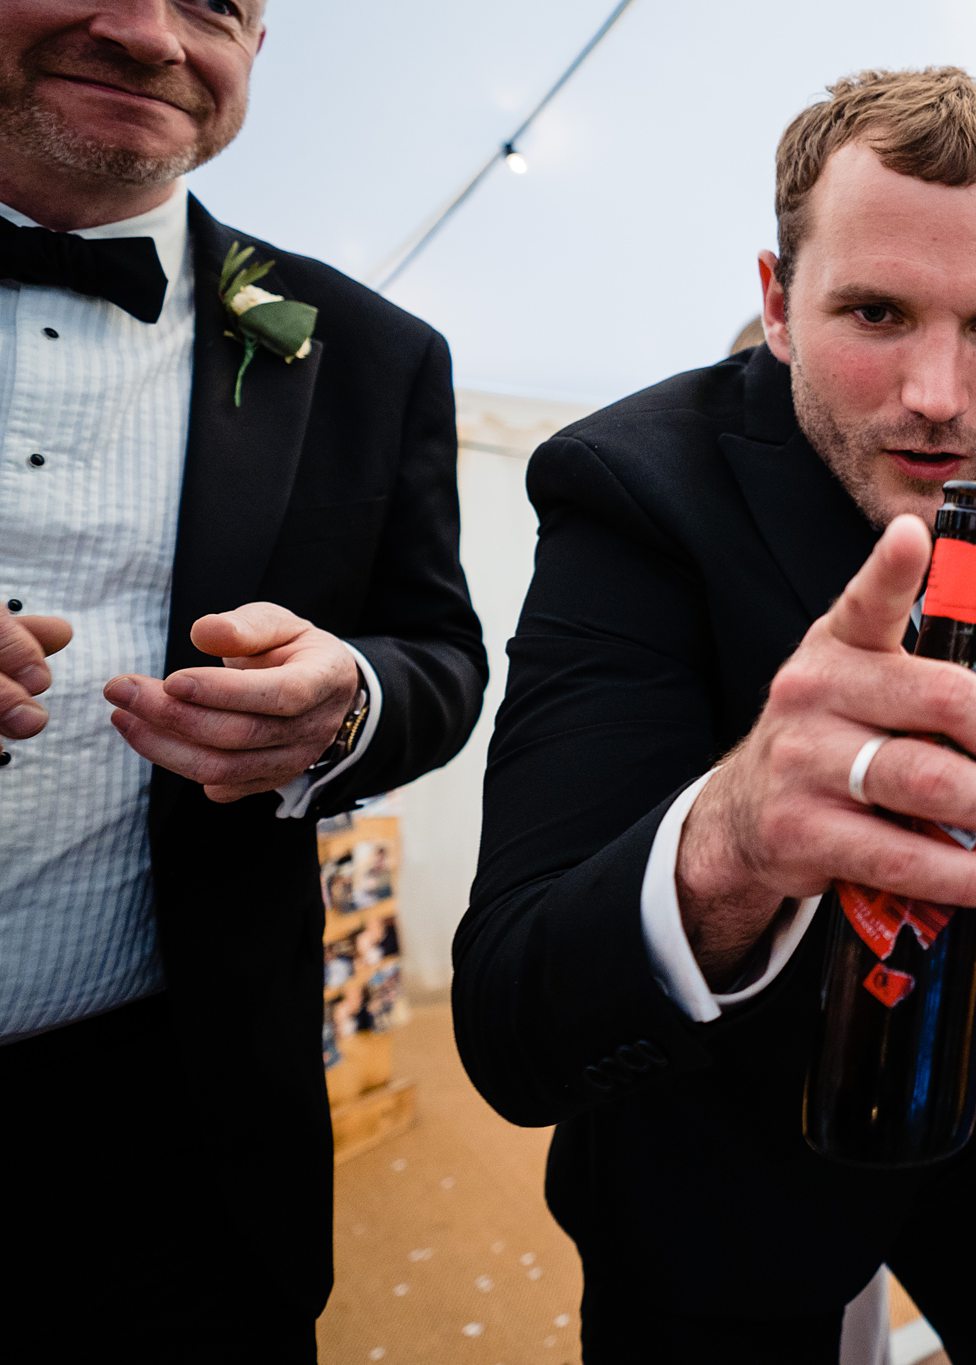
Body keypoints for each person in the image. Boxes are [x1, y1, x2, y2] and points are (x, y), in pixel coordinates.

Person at [458, 66, 976, 1362]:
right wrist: (732, 839)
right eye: (875, 310)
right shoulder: (632, 487)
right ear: (777, 303)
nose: (937, 393)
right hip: (722, 1171)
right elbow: (514, 1016)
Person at [0, 1, 486, 1358]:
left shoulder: (371, 352)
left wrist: (350, 700)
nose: (151, 32)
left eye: (215, 2)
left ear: (257, 49)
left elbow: (442, 656)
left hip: (176, 1124)